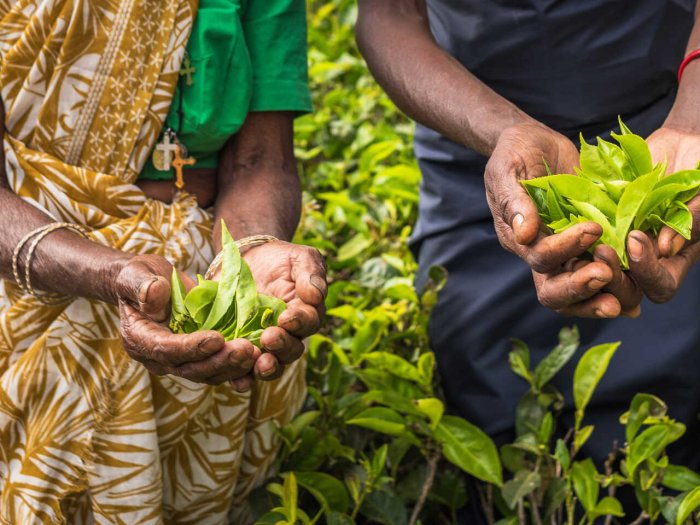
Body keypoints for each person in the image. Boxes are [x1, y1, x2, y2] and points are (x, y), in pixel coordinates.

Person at [357, 0, 700, 520]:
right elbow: (387, 17)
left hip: (670, 113)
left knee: (673, 400)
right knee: (493, 397)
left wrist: (694, 121)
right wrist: (502, 131)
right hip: (476, 139)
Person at [0, 0, 325, 522]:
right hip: (25, 276)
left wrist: (254, 249)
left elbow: (261, 159)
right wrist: (109, 272)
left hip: (199, 279)